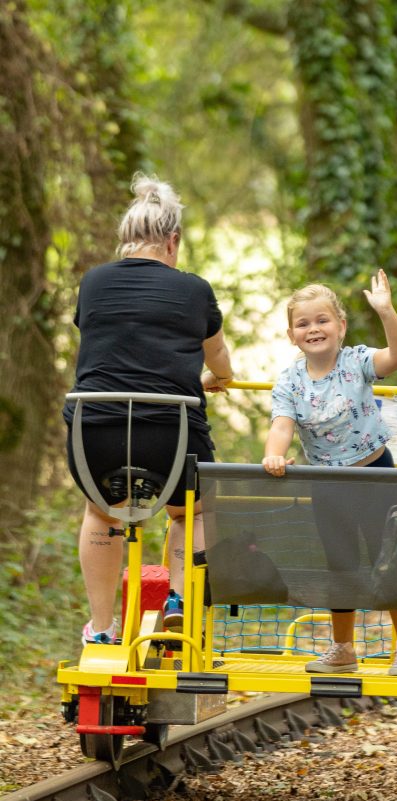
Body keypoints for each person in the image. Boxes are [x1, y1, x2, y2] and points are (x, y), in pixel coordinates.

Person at [63, 172, 235, 645]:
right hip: (170, 431)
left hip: (93, 428)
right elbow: (218, 358)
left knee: (102, 513)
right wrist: (219, 378)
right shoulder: (195, 290)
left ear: (127, 237)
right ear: (172, 240)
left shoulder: (93, 282)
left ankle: (101, 629)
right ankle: (177, 600)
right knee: (192, 511)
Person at [262, 269, 397, 676]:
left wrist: (386, 311)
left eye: (322, 320)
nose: (313, 329)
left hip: (375, 475)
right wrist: (274, 456)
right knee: (340, 563)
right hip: (328, 483)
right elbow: (281, 426)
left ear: (341, 326)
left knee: (388, 560)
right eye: (303, 323)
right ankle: (343, 648)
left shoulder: (356, 361)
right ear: (292, 335)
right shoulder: (290, 381)